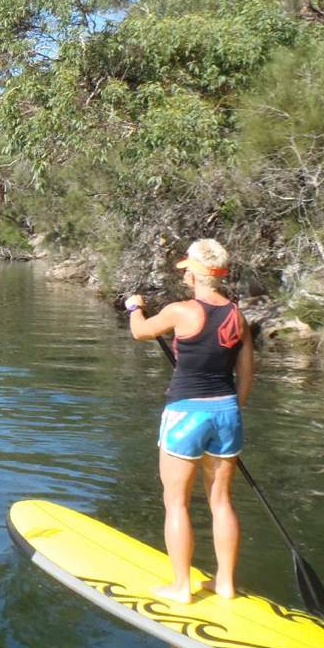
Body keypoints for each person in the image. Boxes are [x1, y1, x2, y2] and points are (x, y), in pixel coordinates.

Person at [125, 239, 254, 605]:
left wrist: (135, 306)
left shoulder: (181, 311)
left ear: (194, 274)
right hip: (226, 413)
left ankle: (182, 587)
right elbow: (246, 374)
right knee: (221, 502)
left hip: (186, 414)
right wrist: (232, 409)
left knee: (177, 502)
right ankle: (225, 583)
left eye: (186, 270)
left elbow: (140, 331)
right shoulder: (237, 316)